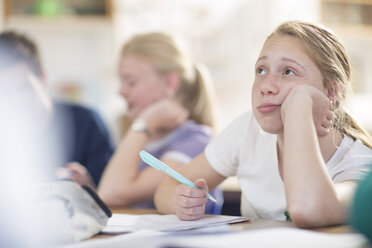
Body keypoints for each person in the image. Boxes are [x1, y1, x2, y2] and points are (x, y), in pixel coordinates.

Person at [154, 21, 372, 228]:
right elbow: (166, 188)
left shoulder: (359, 165)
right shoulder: (248, 129)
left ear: (331, 92)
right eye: (261, 70)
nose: (266, 86)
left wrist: (299, 106)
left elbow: (308, 208)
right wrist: (181, 203)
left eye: (288, 72)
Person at [65, 32, 223, 214]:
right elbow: (113, 197)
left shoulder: (196, 141)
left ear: (170, 83)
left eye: (130, 82)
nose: (121, 91)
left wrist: (144, 123)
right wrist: (90, 191)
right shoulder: (145, 139)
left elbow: (113, 193)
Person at [0, 30, 114, 186]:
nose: (15, 100)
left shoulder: (87, 122)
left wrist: (89, 187)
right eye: (4, 92)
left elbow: (110, 191)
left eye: (23, 88)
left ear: (42, 77)